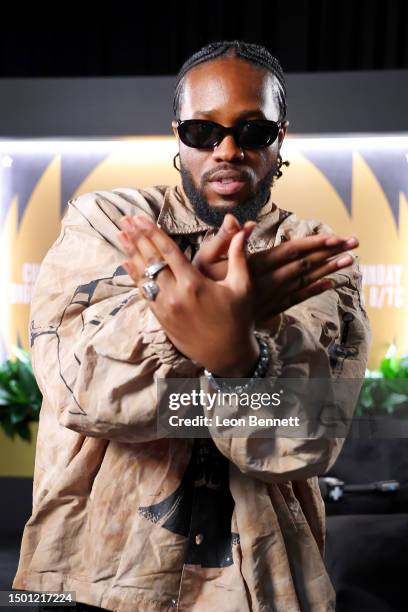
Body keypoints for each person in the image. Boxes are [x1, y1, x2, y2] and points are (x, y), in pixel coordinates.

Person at [12, 40, 371, 611]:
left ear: (281, 140)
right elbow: (82, 395)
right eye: (204, 132)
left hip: (263, 588)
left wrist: (232, 356)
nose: (227, 150)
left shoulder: (313, 256)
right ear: (177, 135)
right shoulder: (110, 224)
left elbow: (303, 444)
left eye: (253, 132)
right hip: (96, 579)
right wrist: (225, 331)